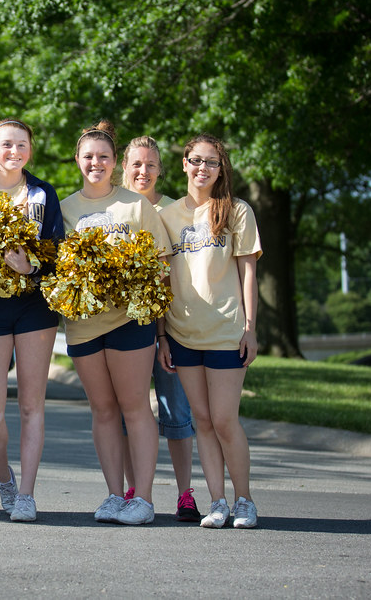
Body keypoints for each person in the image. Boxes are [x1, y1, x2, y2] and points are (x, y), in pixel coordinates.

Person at [60, 122, 170, 525]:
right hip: (84, 324)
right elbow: (58, 267)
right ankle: (113, 494)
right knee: (103, 410)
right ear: (78, 160)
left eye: (103, 156)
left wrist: (136, 289)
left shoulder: (135, 206)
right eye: (89, 156)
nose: (96, 163)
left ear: (114, 162)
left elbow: (160, 261)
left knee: (135, 407)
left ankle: (142, 498)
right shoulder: (64, 208)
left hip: (129, 320)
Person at [157, 133, 262, 529]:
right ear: (184, 163)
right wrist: (164, 336)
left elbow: (248, 274)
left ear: (221, 169)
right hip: (183, 335)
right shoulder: (168, 217)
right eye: (196, 160)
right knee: (201, 420)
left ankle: (244, 500)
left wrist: (251, 328)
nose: (203, 168)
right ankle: (217, 501)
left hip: (226, 332)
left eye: (212, 162)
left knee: (223, 420)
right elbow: (163, 282)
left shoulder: (236, 212)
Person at [0, 119, 63, 523]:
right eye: (6, 144)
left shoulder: (43, 193)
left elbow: (56, 252)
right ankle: (4, 479)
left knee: (30, 405)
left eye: (21, 145)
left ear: (30, 150)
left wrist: (30, 268)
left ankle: (26, 494)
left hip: (35, 306)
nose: (14, 152)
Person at [119, 136, 201, 522]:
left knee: (176, 409)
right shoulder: (114, 206)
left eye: (151, 165)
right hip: (123, 326)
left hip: (171, 326)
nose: (143, 172)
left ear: (161, 169)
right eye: (137, 164)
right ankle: (133, 488)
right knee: (125, 411)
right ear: (124, 166)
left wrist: (167, 332)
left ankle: (185, 493)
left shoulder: (174, 211)